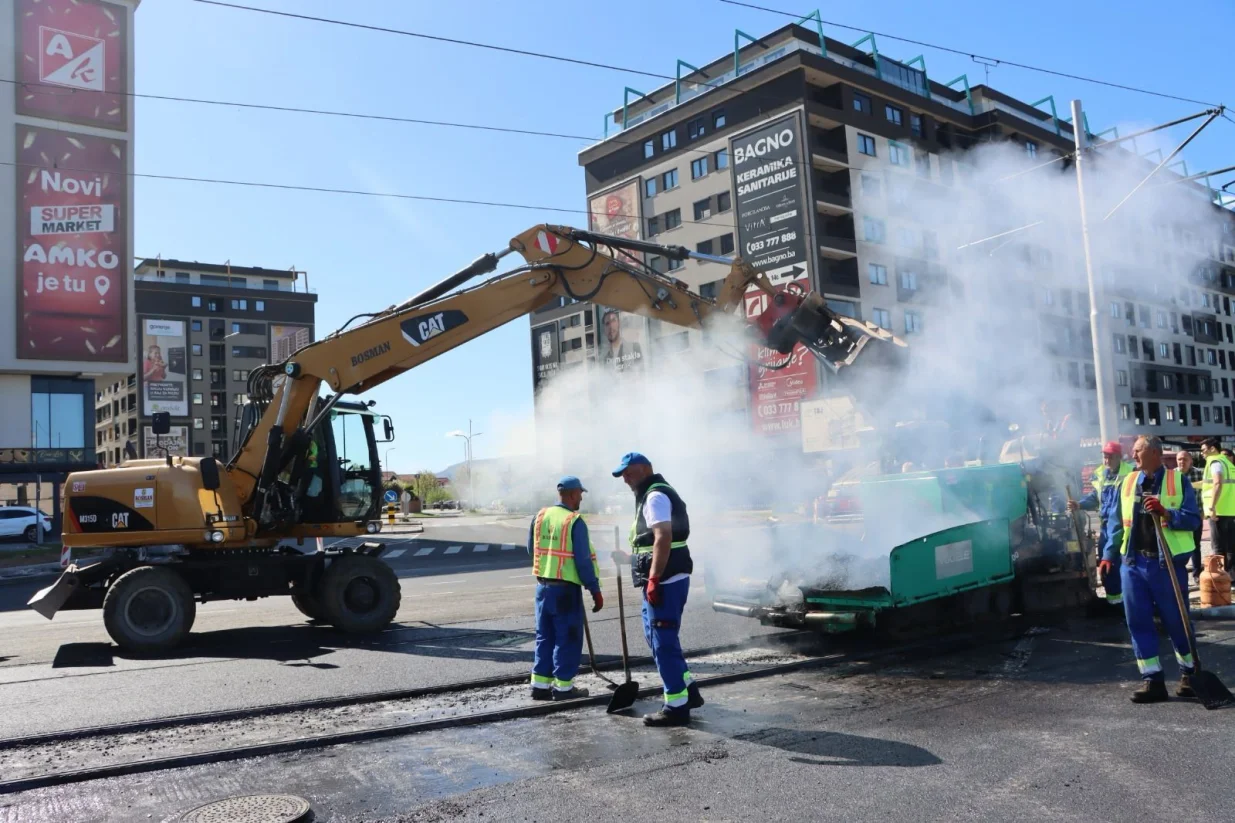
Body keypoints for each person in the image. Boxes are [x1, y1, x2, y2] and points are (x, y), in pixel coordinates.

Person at [610, 452, 702, 726]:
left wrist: (653, 579)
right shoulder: (651, 494)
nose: (625, 479)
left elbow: (663, 538)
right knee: (657, 638)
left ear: (645, 469)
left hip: (665, 579)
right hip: (664, 575)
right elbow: (652, 543)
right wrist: (630, 559)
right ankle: (688, 690)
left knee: (663, 643)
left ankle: (676, 707)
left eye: (629, 473)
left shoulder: (655, 496)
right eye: (622, 475)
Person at [1116, 435, 1202, 703]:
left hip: (1166, 564)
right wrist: (1109, 554)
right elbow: (1117, 522)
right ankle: (1152, 680)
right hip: (1133, 563)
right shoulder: (1129, 481)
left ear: (1154, 452)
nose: (1133, 455)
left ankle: (1189, 675)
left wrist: (1166, 513)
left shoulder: (1178, 481)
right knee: (1138, 621)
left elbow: (1193, 519)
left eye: (1138, 450)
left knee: (1176, 621)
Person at [527, 476, 603, 701]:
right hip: (565, 591)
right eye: (580, 493)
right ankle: (563, 689)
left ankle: (539, 686)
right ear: (572, 494)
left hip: (542, 589)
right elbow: (583, 561)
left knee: (544, 636)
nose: (581, 497)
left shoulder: (540, 516)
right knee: (567, 638)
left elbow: (532, 550)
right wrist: (595, 590)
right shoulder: (574, 521)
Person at [1068, 441, 1134, 606]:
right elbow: (1095, 497)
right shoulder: (1103, 475)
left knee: (1116, 566)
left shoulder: (1130, 474)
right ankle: (1115, 604)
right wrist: (1079, 504)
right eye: (1105, 456)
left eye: (1110, 457)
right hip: (1107, 528)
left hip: (1124, 528)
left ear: (1119, 457)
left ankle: (1123, 606)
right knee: (1107, 568)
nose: (1106, 460)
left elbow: (1117, 513)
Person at [1200, 437, 1235, 573]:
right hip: (1230, 510)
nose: (1202, 453)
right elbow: (1210, 484)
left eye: (1204, 450)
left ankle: (1220, 578)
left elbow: (1217, 483)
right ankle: (1231, 579)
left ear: (1212, 449)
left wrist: (1212, 506)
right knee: (1231, 546)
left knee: (1218, 548)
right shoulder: (1228, 463)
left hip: (1218, 511)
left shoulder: (1215, 461)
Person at [1176, 450, 1204, 583]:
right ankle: (1178, 574)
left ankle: (1197, 573)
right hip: (1178, 516)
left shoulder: (1200, 473)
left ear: (1191, 461)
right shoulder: (1172, 475)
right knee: (1179, 545)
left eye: (1184, 459)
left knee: (1195, 545)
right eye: (1179, 459)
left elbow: (1207, 492)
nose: (1182, 462)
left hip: (1195, 516)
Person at [600, 308, 644, 374]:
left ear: (619, 324)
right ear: (605, 330)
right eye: (607, 323)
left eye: (613, 321)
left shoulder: (634, 347)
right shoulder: (606, 359)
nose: (611, 326)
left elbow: (643, 374)